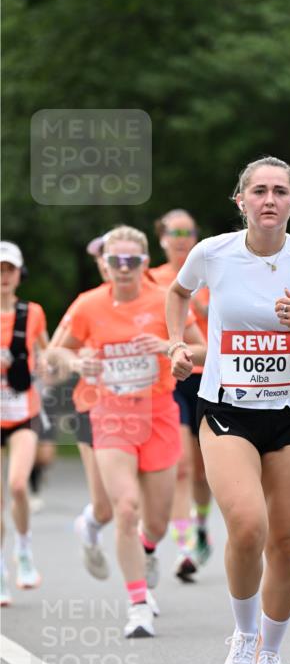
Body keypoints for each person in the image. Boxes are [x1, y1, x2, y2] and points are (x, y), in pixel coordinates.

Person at [166, 156, 290, 664]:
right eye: (259, 191)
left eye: (280, 192)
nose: (269, 200)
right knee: (248, 526)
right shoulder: (212, 254)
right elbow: (178, 293)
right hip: (226, 410)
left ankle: (271, 655)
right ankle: (244, 638)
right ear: (241, 201)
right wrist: (178, 343)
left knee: (287, 541)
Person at [54, 226, 205, 637]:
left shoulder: (165, 300)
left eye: (132, 261)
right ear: (105, 263)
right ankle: (138, 604)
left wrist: (171, 349)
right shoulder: (88, 305)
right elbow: (55, 353)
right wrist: (75, 363)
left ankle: (149, 549)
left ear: (143, 263)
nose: (124, 269)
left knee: (155, 523)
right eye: (116, 261)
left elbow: (206, 350)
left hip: (158, 414)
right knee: (124, 508)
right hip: (110, 415)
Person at [47, 234, 114, 582]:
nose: (110, 262)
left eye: (117, 255)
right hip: (94, 407)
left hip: (145, 409)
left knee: (147, 501)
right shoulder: (85, 305)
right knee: (107, 506)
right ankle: (89, 525)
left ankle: (141, 586)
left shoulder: (154, 296)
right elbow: (50, 362)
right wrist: (75, 362)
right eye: (103, 257)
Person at [151, 210, 212, 580]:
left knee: (205, 471)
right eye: (174, 231)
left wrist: (205, 307)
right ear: (162, 238)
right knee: (182, 466)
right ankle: (185, 544)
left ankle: (202, 525)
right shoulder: (152, 278)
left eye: (188, 232)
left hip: (208, 374)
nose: (181, 238)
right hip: (170, 377)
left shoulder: (211, 273)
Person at [1, 241, 49, 605]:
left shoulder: (32, 313)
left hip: (23, 414)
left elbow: (46, 353)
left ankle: (23, 550)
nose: (4, 276)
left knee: (18, 485)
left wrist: (49, 366)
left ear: (20, 274)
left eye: (9, 269)